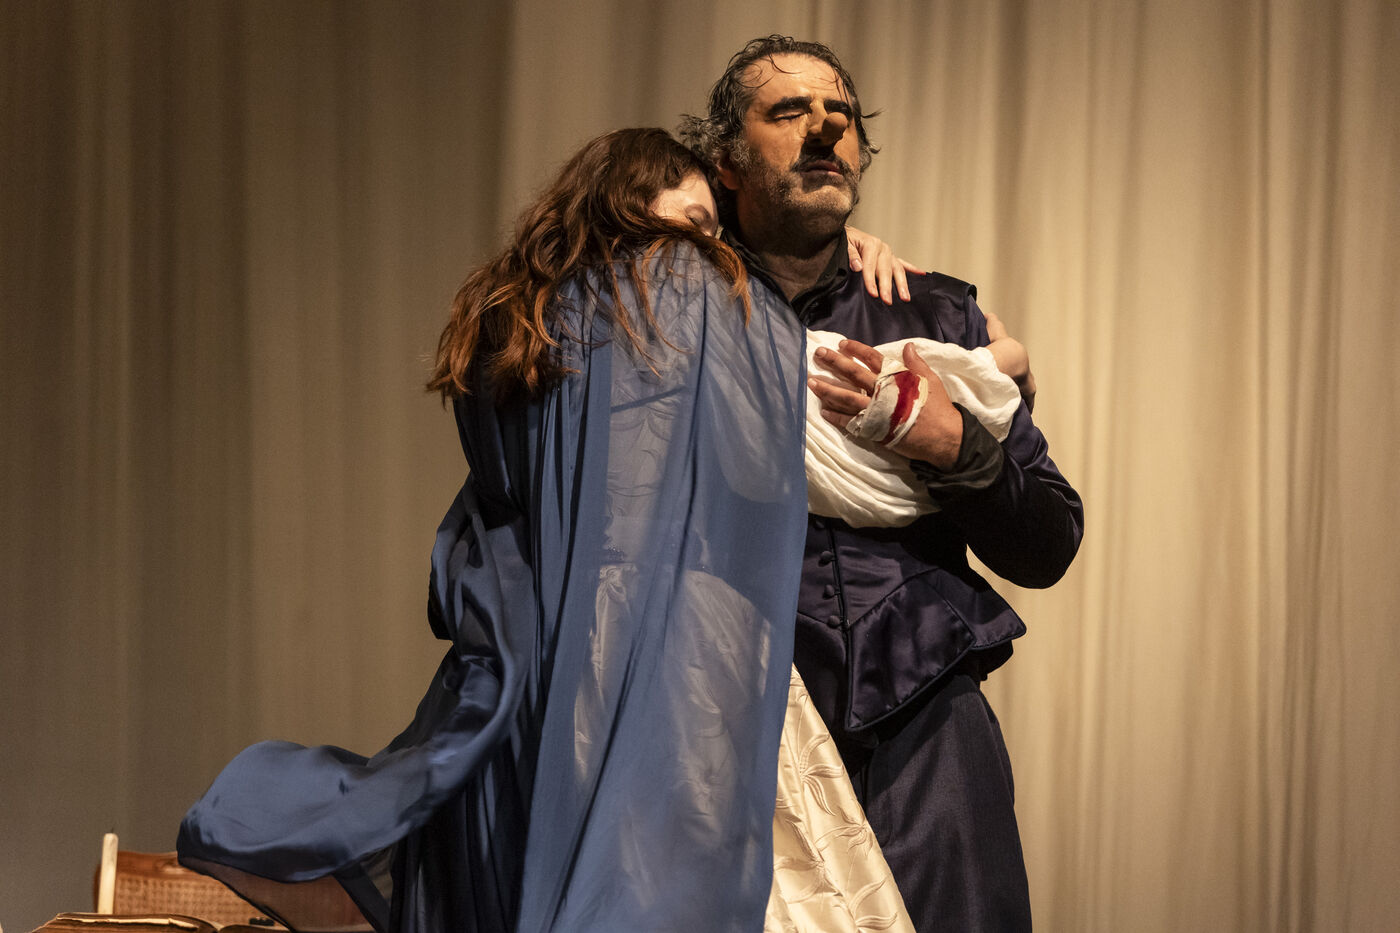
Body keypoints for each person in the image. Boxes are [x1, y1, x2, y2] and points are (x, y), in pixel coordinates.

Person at [178, 127, 919, 933]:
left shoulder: (518, 311)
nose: (713, 249)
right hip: (659, 634)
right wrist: (982, 360)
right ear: (636, 206)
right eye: (698, 223)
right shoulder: (677, 286)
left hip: (534, 638)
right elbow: (783, 426)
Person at [681, 36, 1084, 931]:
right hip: (733, 728)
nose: (826, 128)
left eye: (843, 115)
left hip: (928, 730)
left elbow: (1051, 539)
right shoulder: (677, 318)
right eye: (790, 111)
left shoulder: (934, 314)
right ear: (726, 163)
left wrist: (952, 442)